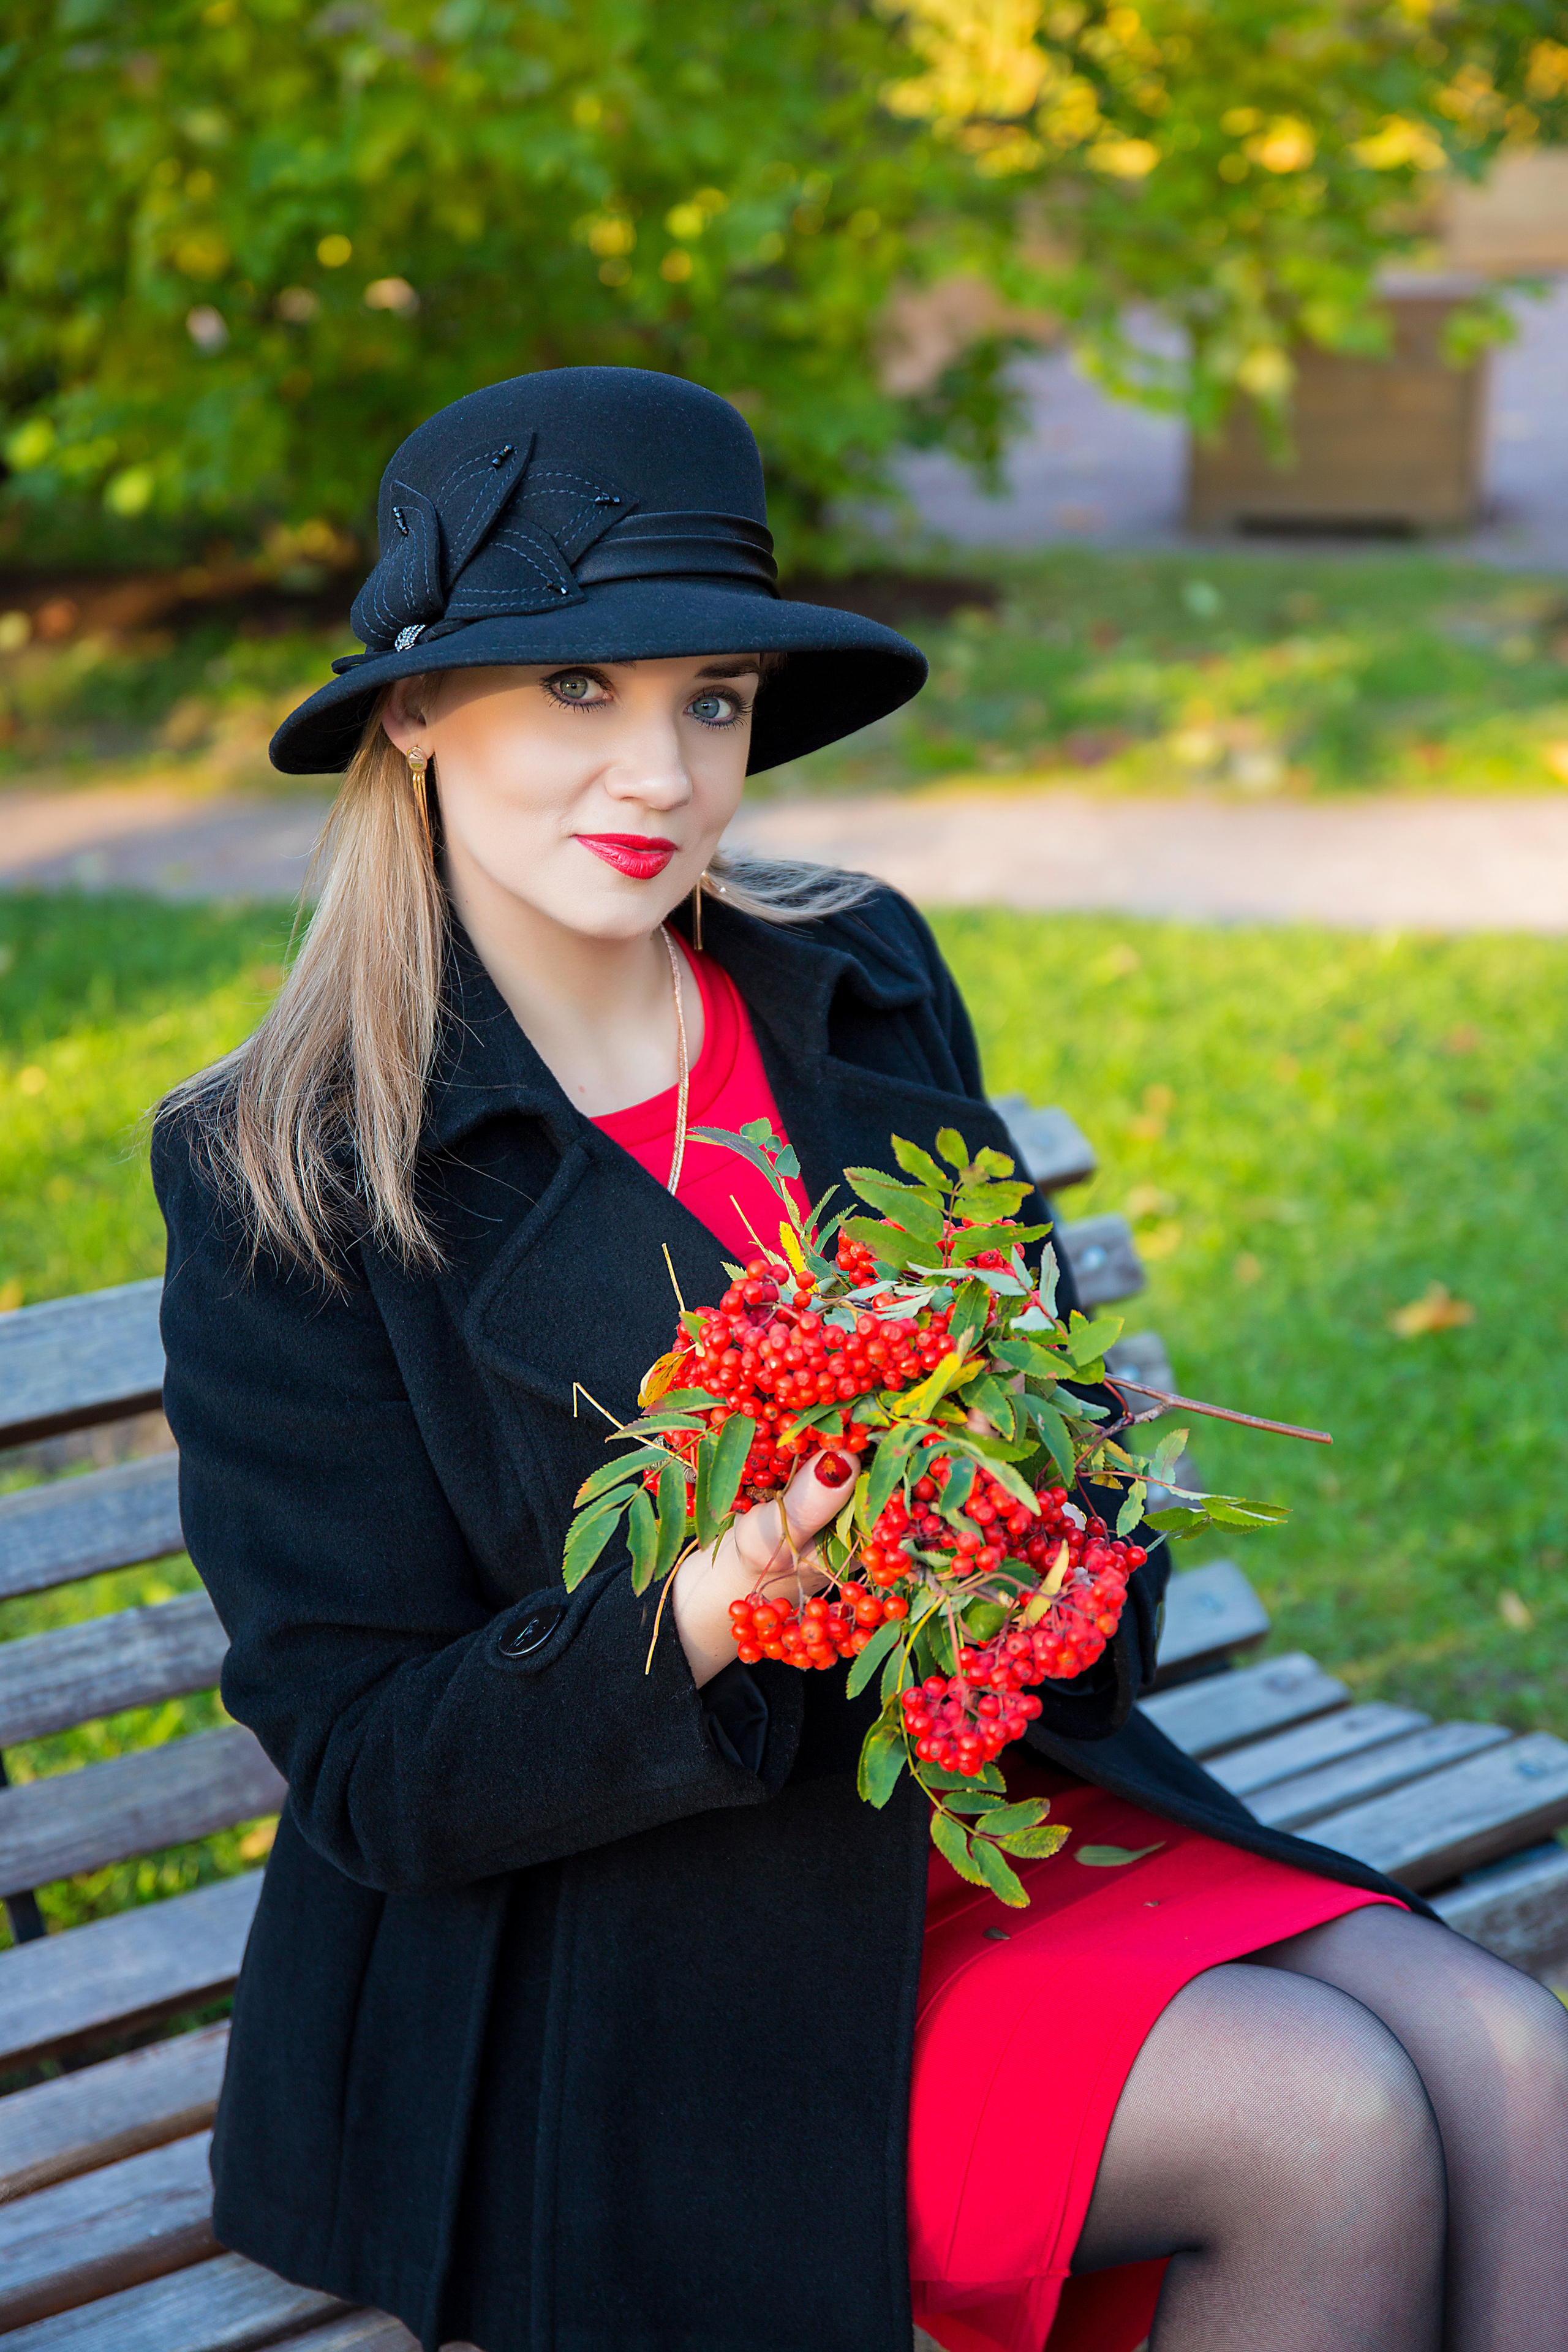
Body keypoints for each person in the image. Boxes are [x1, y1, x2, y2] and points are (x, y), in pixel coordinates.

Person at [154, 368, 1568, 2352]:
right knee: (1323, 2124)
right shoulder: (297, 1167)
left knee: (1514, 2063)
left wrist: (1037, 1544)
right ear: (412, 709)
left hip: (973, 1818)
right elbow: (378, 1772)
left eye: (708, 700)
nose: (657, 774)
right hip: (611, 1965)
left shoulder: (855, 982)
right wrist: (713, 1608)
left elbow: (1064, 1447)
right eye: (579, 691)